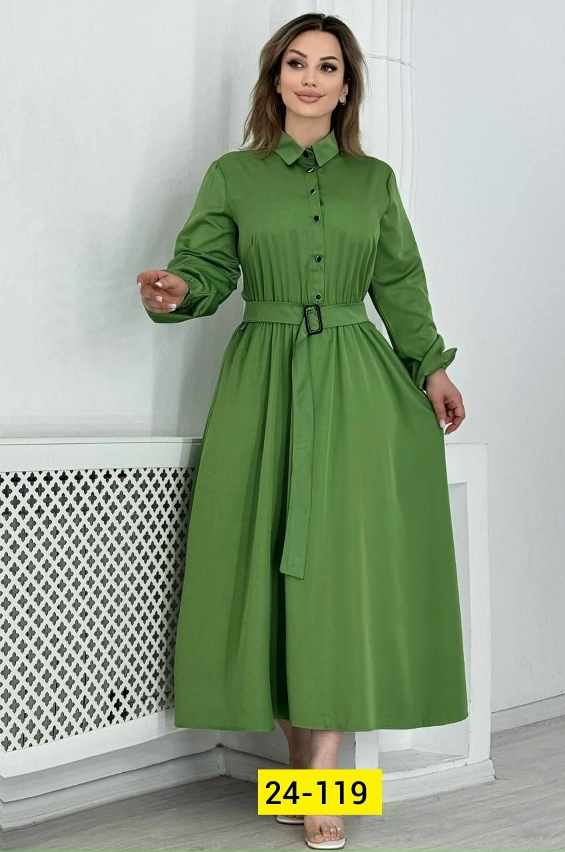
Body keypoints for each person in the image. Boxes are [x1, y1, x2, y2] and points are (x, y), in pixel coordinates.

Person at [137, 12, 468, 850]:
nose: (311, 78)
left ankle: (322, 785)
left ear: (347, 85)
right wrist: (178, 289)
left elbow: (400, 282)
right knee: (267, 574)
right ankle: (303, 777)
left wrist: (430, 366)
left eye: (328, 66)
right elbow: (207, 266)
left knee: (333, 578)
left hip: (355, 384)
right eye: (297, 62)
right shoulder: (233, 175)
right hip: (263, 381)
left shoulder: (373, 181)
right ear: (275, 77)